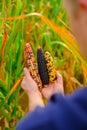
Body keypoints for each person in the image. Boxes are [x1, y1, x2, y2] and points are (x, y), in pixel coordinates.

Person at [16, 0, 87, 130]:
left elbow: (42, 125)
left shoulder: (38, 124)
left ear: (83, 5)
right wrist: (56, 98)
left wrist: (34, 95)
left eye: (69, 15)